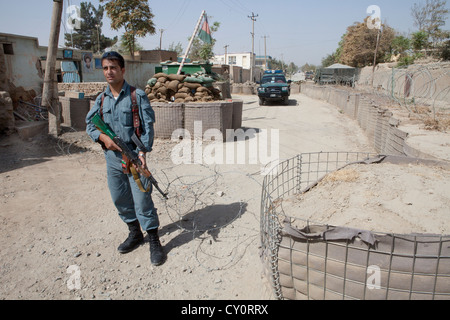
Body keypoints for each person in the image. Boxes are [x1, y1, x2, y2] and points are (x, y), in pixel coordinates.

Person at [86, 51, 165, 266]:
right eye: (105, 68)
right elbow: (90, 124)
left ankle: (154, 240)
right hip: (112, 158)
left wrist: (142, 153)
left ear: (122, 70)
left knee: (142, 198)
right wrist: (102, 137)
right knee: (119, 198)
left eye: (113, 67)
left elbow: (147, 127)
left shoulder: (136, 95)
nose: (109, 72)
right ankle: (134, 233)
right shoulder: (101, 99)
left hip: (133, 157)